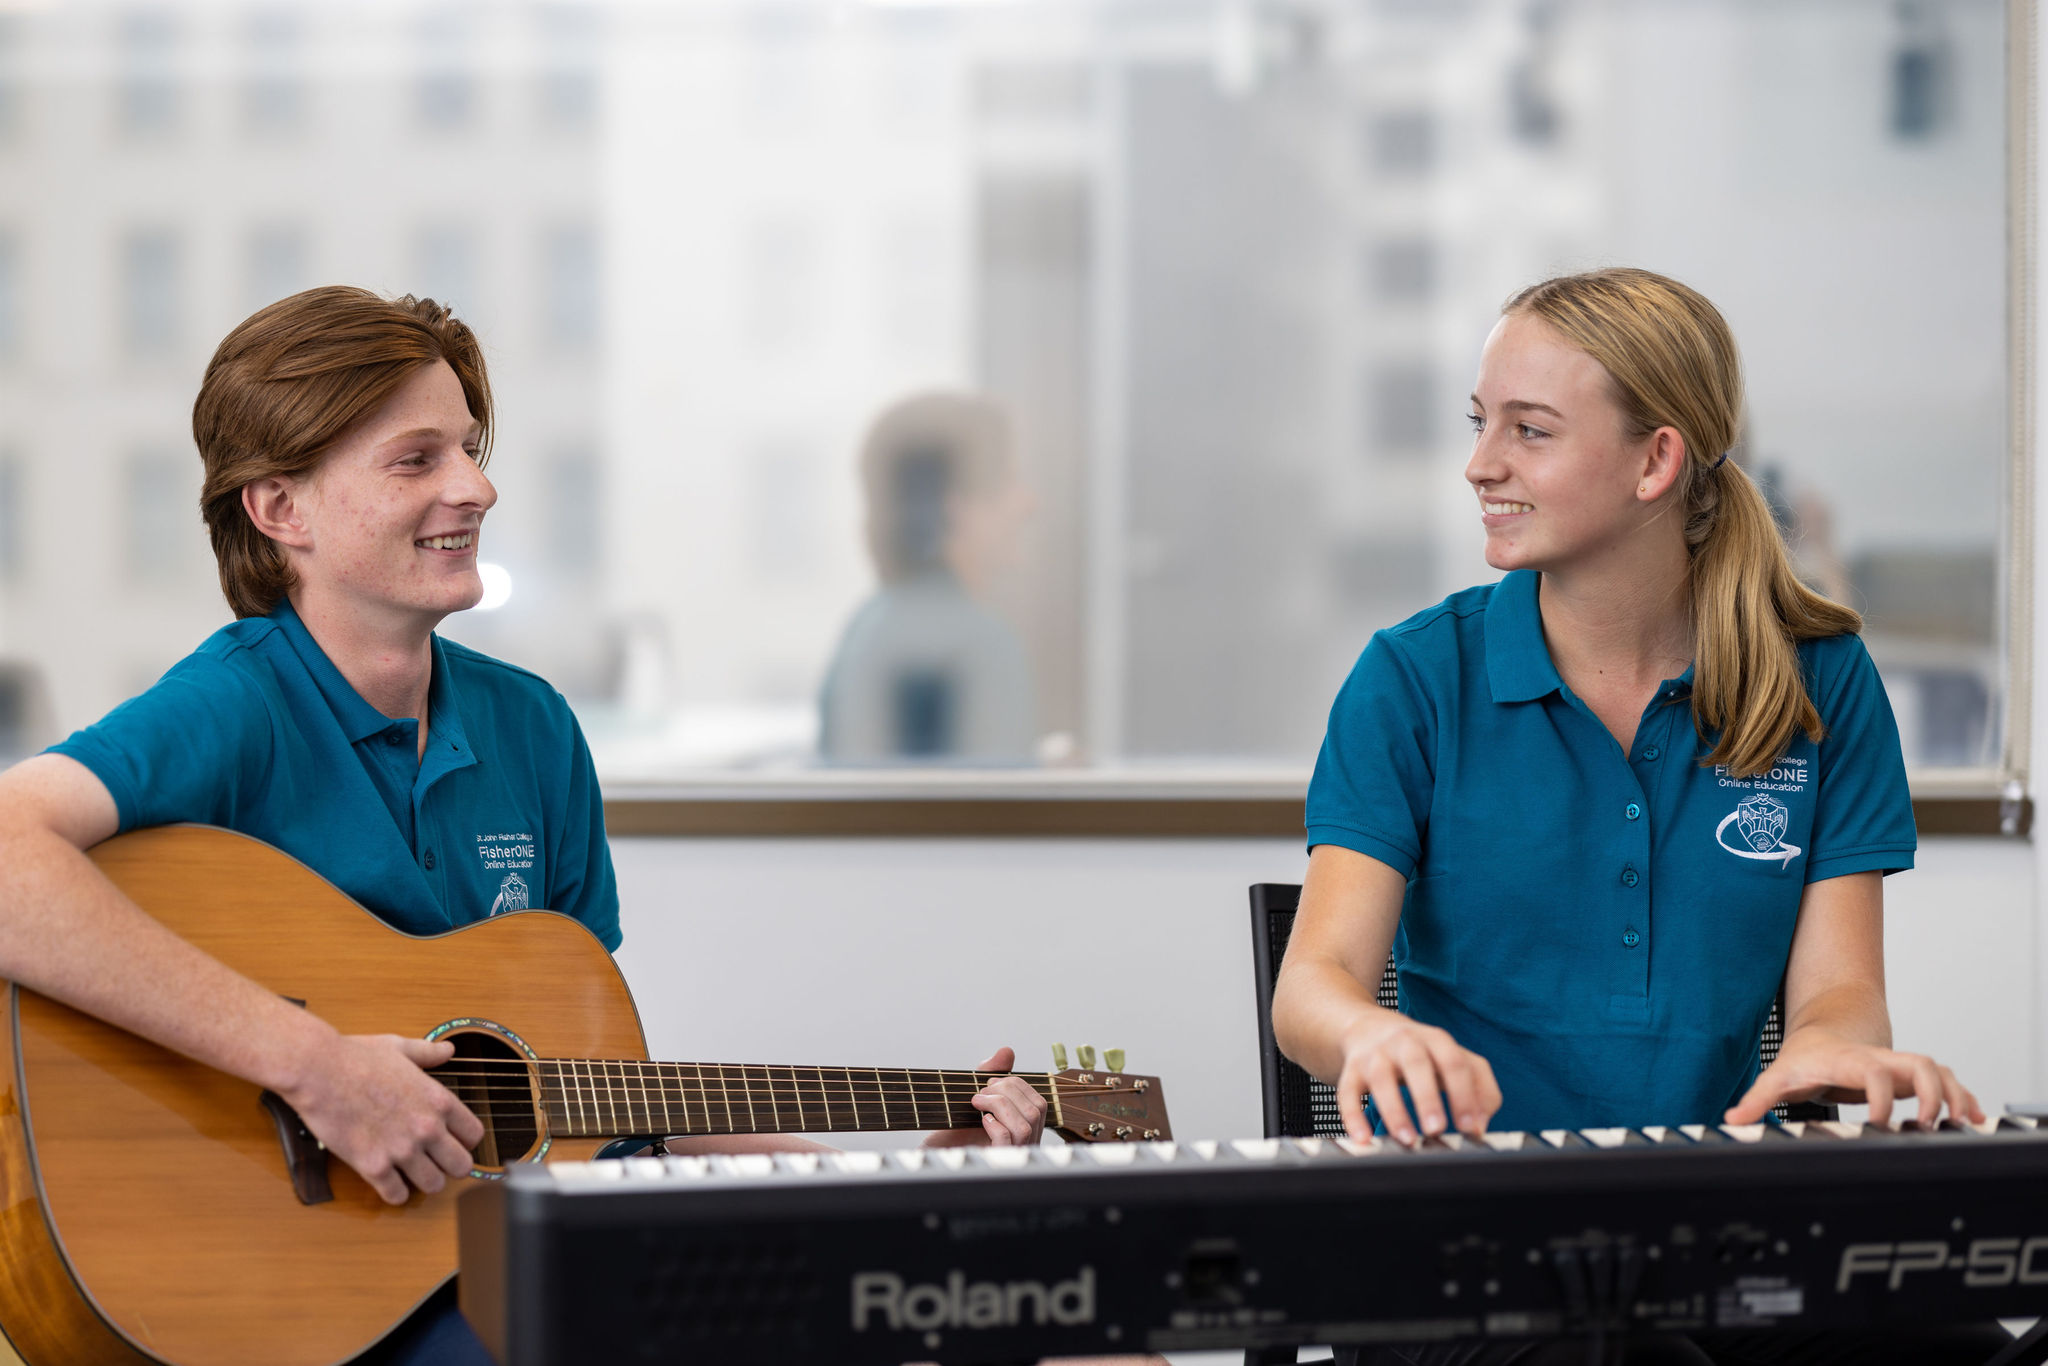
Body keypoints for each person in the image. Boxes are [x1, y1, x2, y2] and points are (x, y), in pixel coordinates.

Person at [0, 287, 1046, 1366]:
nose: (477, 486)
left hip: (499, 1259)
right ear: (280, 509)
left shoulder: (533, 728)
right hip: (318, 1298)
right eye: (417, 460)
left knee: (1001, 1330)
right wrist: (314, 1065)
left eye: (469, 448)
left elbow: (598, 1106)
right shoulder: (233, 707)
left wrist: (907, 1181)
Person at [1270, 268, 2004, 1366]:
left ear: (1654, 461)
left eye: (1529, 430)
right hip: (1454, 1258)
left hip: (1714, 1235)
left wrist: (1834, 1060)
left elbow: (1840, 993)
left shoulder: (1819, 681)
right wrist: (1369, 1029)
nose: (1480, 464)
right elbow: (1311, 986)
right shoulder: (1412, 680)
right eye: (1481, 425)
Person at [819, 390, 1038, 764]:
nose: (1029, 503)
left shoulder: (870, 626)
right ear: (958, 507)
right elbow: (997, 809)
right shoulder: (978, 642)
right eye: (1009, 480)